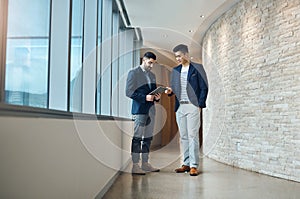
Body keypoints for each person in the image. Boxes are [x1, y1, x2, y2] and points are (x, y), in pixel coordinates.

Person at [165, 44, 208, 176]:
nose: (177, 58)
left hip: (192, 106)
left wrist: (199, 104)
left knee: (192, 135)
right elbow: (174, 88)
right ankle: (186, 163)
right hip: (180, 106)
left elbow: (204, 88)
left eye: (179, 56)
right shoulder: (176, 70)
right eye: (175, 56)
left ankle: (194, 165)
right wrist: (170, 91)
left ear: (186, 54)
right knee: (183, 136)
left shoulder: (197, 68)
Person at [126, 51, 162, 175]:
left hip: (151, 110)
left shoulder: (152, 75)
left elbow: (153, 92)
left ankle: (145, 163)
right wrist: (144, 97)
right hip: (140, 110)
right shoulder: (133, 72)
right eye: (150, 63)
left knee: (148, 138)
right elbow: (129, 92)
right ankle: (135, 165)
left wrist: (157, 97)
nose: (152, 66)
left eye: (153, 63)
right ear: (144, 60)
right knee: (137, 138)